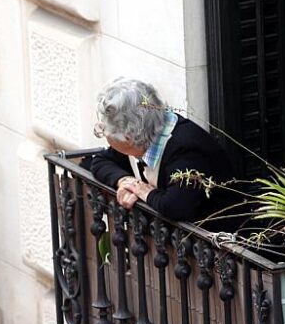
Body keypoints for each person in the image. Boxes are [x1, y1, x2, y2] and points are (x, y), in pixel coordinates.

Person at [84, 78, 236, 227]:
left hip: (219, 244)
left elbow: (176, 207)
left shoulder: (186, 150)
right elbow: (98, 162)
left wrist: (145, 192)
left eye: (103, 130)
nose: (104, 135)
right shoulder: (142, 137)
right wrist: (126, 181)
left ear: (128, 137)